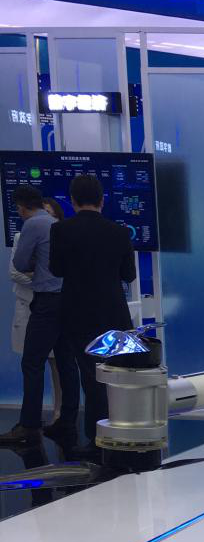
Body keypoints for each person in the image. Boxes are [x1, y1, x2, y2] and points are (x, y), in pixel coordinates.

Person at [49, 174, 135, 456]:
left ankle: (97, 441)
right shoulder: (119, 232)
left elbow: (56, 269)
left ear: (72, 200)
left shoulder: (61, 230)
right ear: (102, 200)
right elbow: (129, 275)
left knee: (90, 377)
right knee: (117, 377)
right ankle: (123, 432)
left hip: (78, 315)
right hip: (113, 315)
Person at [0, 187, 79, 449]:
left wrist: (36, 263)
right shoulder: (58, 225)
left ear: (21, 207)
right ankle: (67, 420)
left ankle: (28, 425)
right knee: (66, 362)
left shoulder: (33, 225)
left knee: (32, 362)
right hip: (67, 300)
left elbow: (20, 264)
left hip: (46, 302)